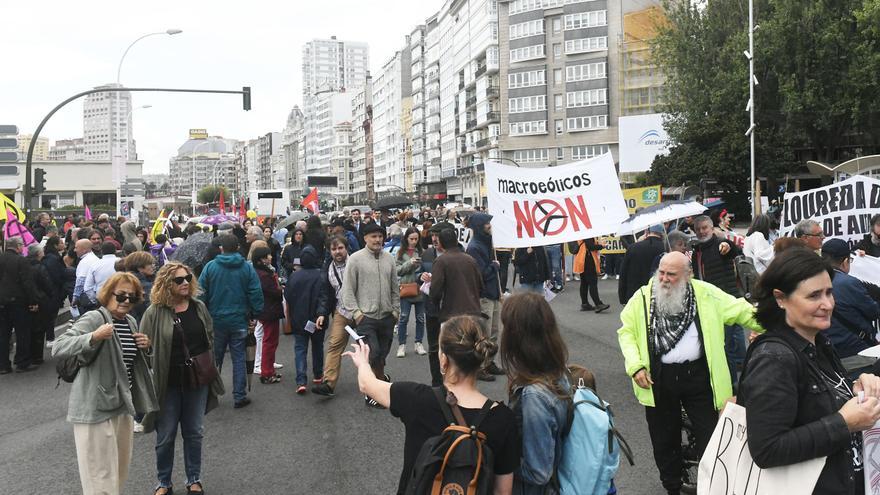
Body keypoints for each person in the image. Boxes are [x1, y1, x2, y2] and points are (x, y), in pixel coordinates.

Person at [617, 251, 762, 495]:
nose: (663, 279)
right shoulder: (642, 297)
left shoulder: (706, 293)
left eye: (671, 274)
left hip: (699, 377)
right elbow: (627, 332)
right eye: (661, 272)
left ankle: (712, 486)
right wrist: (636, 365)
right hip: (658, 378)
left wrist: (776, 321)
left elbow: (740, 310)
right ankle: (672, 487)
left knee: (712, 436)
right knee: (664, 440)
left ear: (688, 275)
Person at [739, 247, 880, 495]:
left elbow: (822, 399)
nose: (827, 304)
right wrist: (844, 423)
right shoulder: (774, 359)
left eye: (829, 293)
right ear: (781, 298)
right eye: (814, 296)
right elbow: (766, 449)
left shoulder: (818, 343)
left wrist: (857, 387)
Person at [343, 315, 519, 495]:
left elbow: (367, 384)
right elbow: (502, 491)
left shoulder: (416, 398)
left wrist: (363, 362)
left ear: (443, 360)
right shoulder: (503, 418)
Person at [52, 272, 158, 495]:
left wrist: (146, 347)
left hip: (121, 406)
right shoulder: (95, 318)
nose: (126, 301)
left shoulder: (129, 321)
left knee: (118, 472)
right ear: (108, 294)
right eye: (121, 296)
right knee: (99, 478)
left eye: (133, 297)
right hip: (95, 408)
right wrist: (93, 337)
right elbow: (59, 347)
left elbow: (130, 363)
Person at [140, 263, 224, 495]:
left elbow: (209, 338)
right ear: (167, 284)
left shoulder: (198, 307)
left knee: (194, 431)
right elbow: (144, 350)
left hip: (197, 380)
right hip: (167, 383)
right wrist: (148, 351)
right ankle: (164, 482)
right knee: (166, 435)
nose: (185, 282)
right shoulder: (154, 312)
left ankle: (193, 479)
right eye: (178, 280)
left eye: (187, 278)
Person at [499, 292, 571, 493]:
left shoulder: (534, 396)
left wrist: (496, 458)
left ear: (518, 337)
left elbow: (538, 471)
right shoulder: (558, 372)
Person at [198, 234, 264, 409]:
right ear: (237, 248)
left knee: (213, 359)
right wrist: (255, 314)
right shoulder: (246, 268)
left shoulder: (210, 267)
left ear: (221, 248)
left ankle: (208, 395)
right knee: (239, 358)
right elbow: (255, 292)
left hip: (216, 320)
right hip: (239, 319)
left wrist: (201, 316)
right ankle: (239, 395)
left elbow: (200, 293)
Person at [340, 222, 401, 407]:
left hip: (387, 317)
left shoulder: (389, 259)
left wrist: (396, 310)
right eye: (373, 236)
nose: (377, 240)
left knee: (382, 355)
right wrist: (357, 314)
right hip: (366, 317)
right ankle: (374, 393)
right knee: (373, 354)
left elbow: (394, 287)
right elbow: (347, 290)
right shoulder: (356, 259)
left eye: (380, 236)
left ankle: (379, 381)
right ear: (365, 238)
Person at [429, 228, 493, 381]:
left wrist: (434, 303)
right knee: (468, 354)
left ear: (441, 243)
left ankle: (447, 386)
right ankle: (465, 387)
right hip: (473, 313)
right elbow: (480, 286)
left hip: (451, 314)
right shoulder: (470, 259)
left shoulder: (441, 261)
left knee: (447, 355)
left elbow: (435, 290)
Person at [820, 239, 880, 358]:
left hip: (826, 349)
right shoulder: (849, 283)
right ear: (845, 261)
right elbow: (874, 312)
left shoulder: (812, 279)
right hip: (855, 349)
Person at [312, 236, 354, 397]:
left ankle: (375, 381)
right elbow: (325, 294)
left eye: (340, 248)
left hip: (363, 311)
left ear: (346, 248)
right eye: (334, 249)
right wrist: (322, 313)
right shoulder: (327, 268)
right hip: (341, 311)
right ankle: (328, 383)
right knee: (334, 345)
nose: (338, 252)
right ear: (330, 251)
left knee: (370, 348)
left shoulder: (356, 262)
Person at [465, 213, 505, 376]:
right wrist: (494, 266)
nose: (490, 225)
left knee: (494, 332)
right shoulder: (474, 247)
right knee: (484, 333)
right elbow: (479, 274)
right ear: (480, 226)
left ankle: (489, 362)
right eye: (487, 223)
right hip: (484, 296)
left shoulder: (487, 242)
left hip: (493, 294)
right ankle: (480, 366)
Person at [285, 245, 327, 394]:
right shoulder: (321, 274)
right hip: (317, 319)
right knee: (317, 347)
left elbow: (287, 295)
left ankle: (301, 380)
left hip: (299, 317)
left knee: (300, 348)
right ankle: (318, 375)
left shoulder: (294, 276)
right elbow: (324, 297)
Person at [0, 237, 39, 373]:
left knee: (3, 334)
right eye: (22, 245)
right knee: (22, 332)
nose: (23, 247)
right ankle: (22, 362)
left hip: (2, 302)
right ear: (17, 246)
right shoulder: (21, 260)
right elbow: (27, 283)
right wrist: (33, 301)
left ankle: (3, 365)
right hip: (19, 302)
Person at [252, 246, 285, 385]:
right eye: (267, 256)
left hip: (268, 310)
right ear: (261, 260)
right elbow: (273, 291)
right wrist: (279, 288)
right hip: (269, 310)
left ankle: (270, 370)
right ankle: (266, 372)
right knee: (269, 342)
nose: (270, 258)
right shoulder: (264, 275)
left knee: (271, 341)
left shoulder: (263, 272)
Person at [395, 227, 427, 358]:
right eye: (411, 239)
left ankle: (418, 343)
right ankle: (401, 345)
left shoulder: (423, 252)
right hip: (406, 288)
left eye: (416, 239)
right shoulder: (400, 252)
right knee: (403, 318)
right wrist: (409, 263)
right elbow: (397, 270)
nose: (414, 241)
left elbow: (427, 267)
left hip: (420, 288)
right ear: (406, 238)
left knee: (420, 318)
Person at [618, 225, 666, 305]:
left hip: (634, 293)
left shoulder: (633, 247)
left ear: (646, 232)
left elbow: (623, 273)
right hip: (658, 293)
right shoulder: (665, 248)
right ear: (662, 234)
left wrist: (622, 297)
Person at [26, 244, 54, 365]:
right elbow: (47, 284)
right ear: (38, 254)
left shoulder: (24, 265)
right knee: (39, 328)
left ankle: (29, 354)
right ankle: (37, 356)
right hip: (40, 299)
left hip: (27, 300)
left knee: (29, 328)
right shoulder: (40, 267)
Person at [42, 236, 68, 347]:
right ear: (55, 245)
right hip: (53, 291)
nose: (63, 244)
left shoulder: (53, 257)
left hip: (52, 291)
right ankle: (50, 338)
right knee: (50, 316)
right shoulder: (53, 259)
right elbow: (57, 275)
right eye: (61, 243)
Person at [573, 238, 610, 312]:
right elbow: (590, 246)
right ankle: (598, 304)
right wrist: (601, 246)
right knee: (592, 282)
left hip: (582, 259)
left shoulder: (582, 232)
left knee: (584, 283)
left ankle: (585, 304)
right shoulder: (588, 234)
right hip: (588, 260)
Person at [124, 251, 156, 323]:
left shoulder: (124, 281)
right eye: (149, 264)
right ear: (139, 268)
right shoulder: (146, 286)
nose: (152, 266)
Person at [72, 238, 101, 316]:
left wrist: (75, 298)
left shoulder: (85, 262)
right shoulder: (94, 259)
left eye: (76, 247)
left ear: (84, 250)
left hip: (86, 298)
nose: (75, 250)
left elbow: (81, 281)